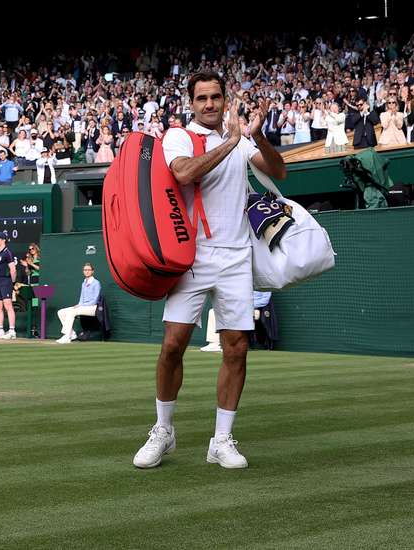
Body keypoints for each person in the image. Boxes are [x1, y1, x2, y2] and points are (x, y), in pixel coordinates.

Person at [132, 71, 286, 470]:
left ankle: (221, 439)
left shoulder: (241, 137)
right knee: (173, 345)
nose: (210, 104)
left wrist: (259, 137)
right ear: (192, 102)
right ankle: (163, 430)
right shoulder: (180, 136)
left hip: (236, 257)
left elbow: (278, 172)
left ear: (224, 98)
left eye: (216, 97)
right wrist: (233, 141)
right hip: (192, 256)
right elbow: (183, 172)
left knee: (236, 348)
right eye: (202, 98)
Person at [54, 263, 101, 344]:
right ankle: (72, 334)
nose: (87, 271)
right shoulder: (83, 283)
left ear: (92, 271)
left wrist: (82, 305)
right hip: (83, 307)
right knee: (61, 312)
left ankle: (67, 336)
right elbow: (82, 297)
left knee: (72, 312)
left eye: (89, 270)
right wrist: (79, 304)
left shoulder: (96, 283)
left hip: (92, 308)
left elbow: (95, 300)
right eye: (85, 270)